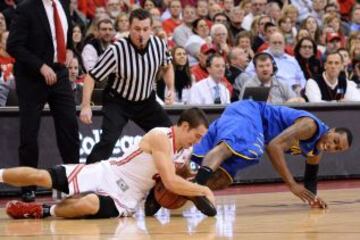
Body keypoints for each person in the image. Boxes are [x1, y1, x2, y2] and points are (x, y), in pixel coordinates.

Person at [1, 108, 216, 219]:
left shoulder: (186, 151)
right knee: (43, 177)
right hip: (109, 172)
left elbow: (177, 178)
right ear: (185, 126)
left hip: (128, 196)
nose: (197, 142)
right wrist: (201, 189)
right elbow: (170, 182)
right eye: (197, 136)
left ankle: (43, 211)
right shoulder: (161, 136)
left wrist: (190, 192)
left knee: (88, 204)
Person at [190, 100, 352, 208]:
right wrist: (292, 185)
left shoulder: (316, 151)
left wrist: (313, 200)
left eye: (337, 149)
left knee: (222, 179)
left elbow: (311, 178)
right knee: (239, 149)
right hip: (250, 113)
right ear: (331, 131)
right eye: (335, 141)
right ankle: (198, 187)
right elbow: (274, 146)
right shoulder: (310, 126)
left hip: (253, 124)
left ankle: (182, 188)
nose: (332, 146)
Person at [80, 8, 175, 164]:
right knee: (108, 141)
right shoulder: (116, 50)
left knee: (169, 137)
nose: (141, 34)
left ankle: (161, 178)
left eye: (145, 29)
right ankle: (86, 176)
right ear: (129, 28)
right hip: (118, 101)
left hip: (146, 101)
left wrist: (170, 88)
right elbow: (91, 77)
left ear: (151, 29)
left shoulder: (159, 45)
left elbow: (167, 66)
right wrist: (85, 106)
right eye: (137, 29)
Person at [6, 0, 80, 202]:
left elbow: (65, 39)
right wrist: (41, 66)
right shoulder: (26, 8)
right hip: (31, 78)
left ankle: (72, 182)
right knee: (29, 133)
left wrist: (71, 51)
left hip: (60, 74)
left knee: (70, 128)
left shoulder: (63, 5)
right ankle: (27, 187)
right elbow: (13, 46)